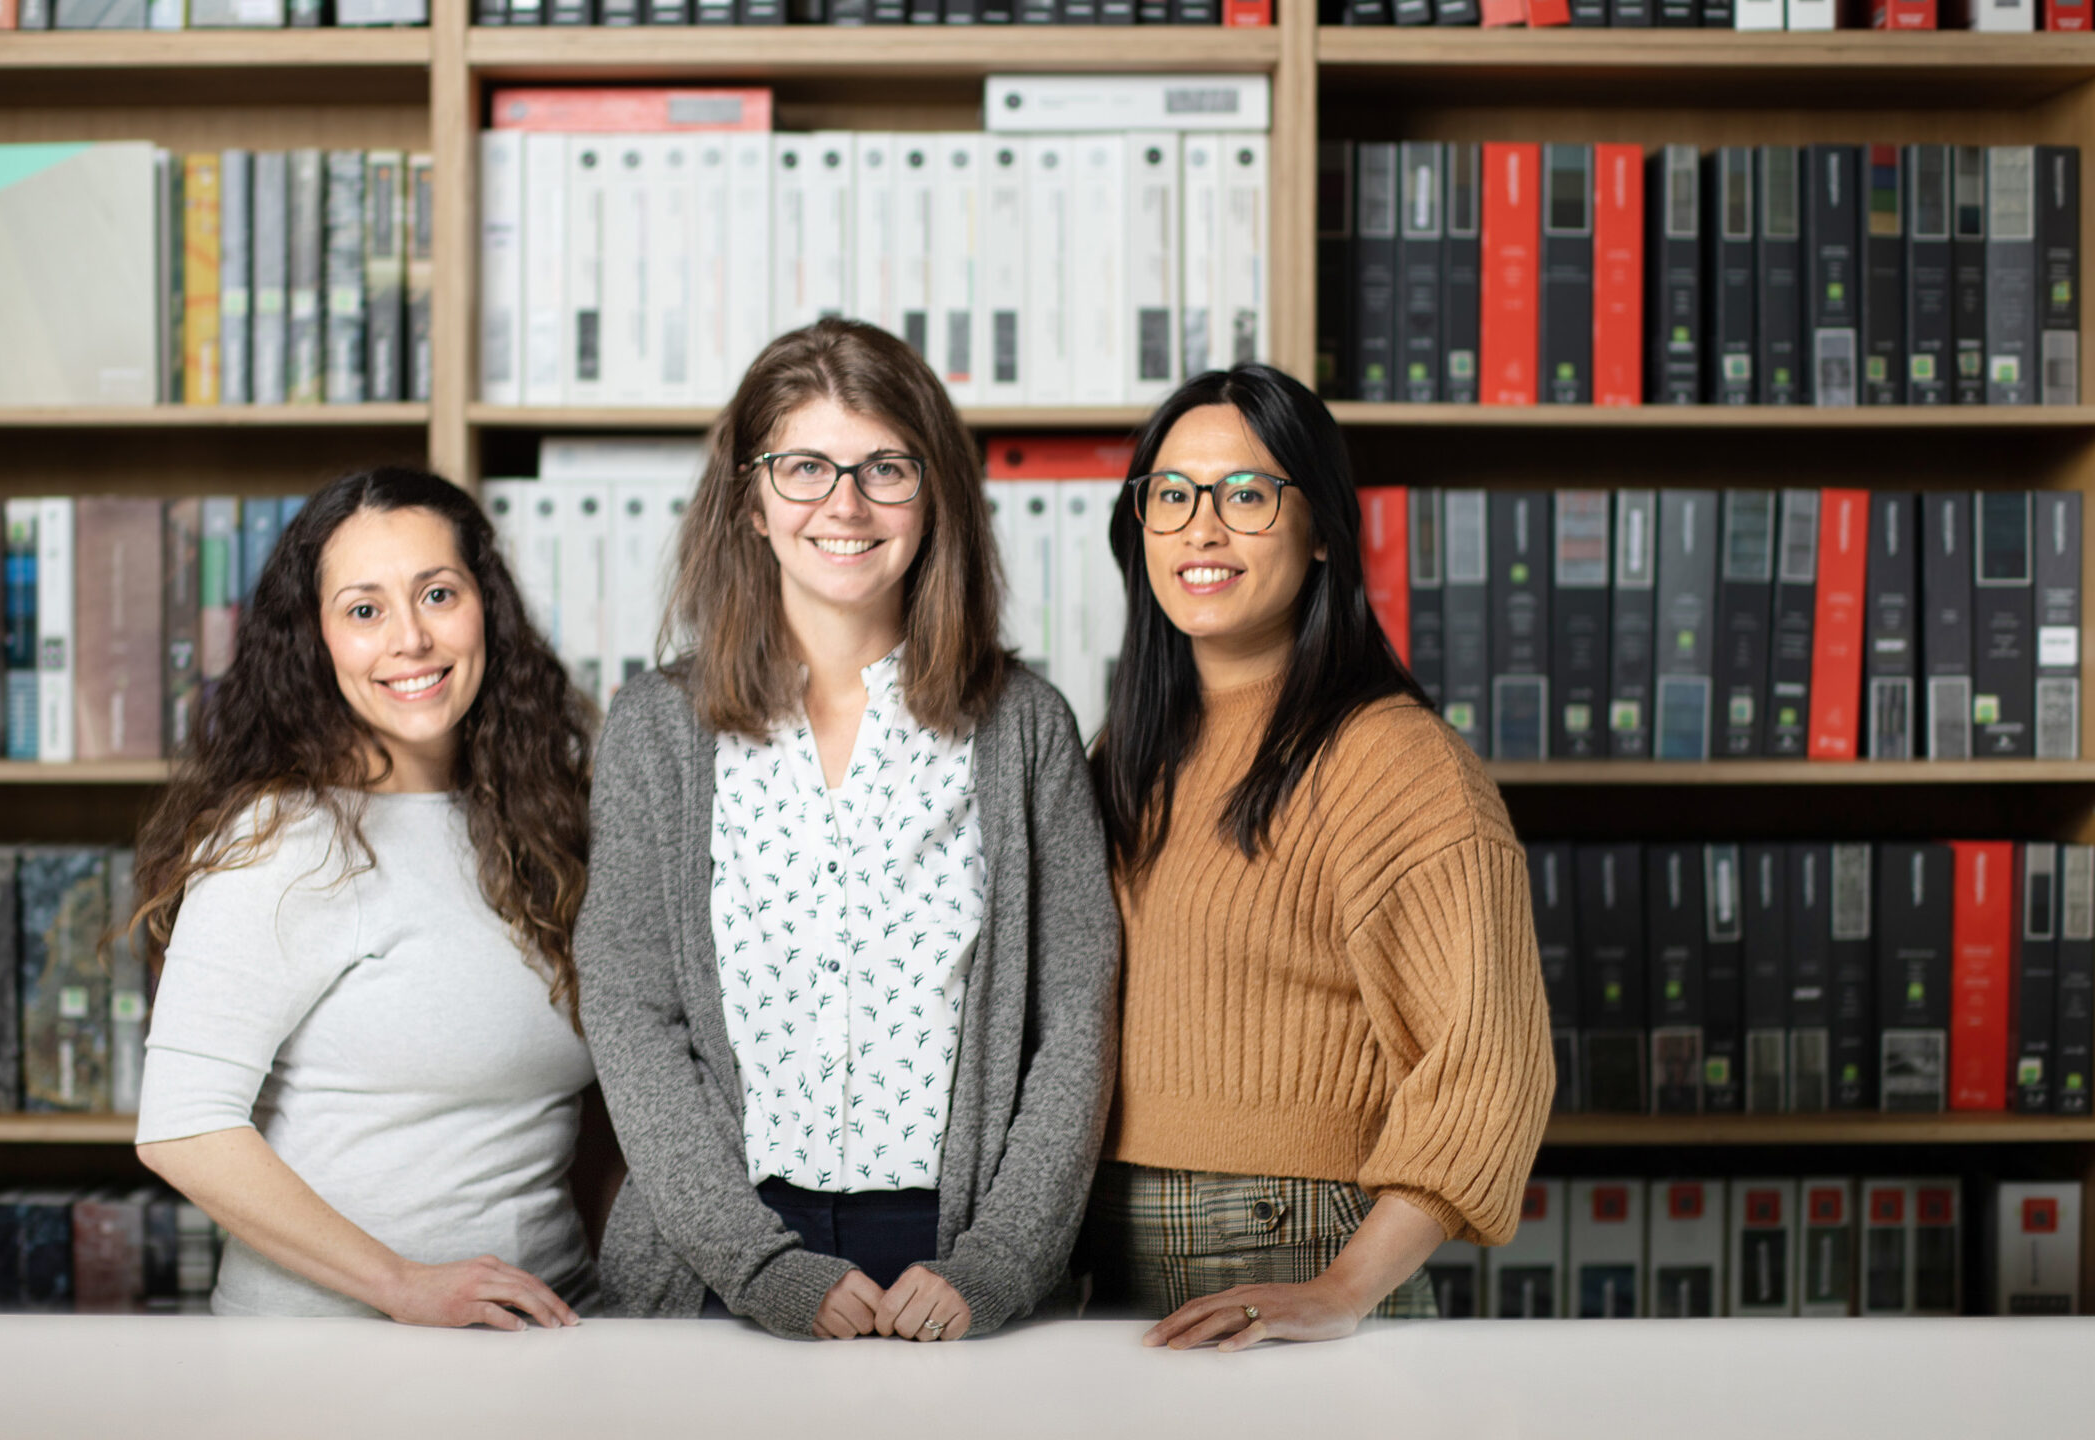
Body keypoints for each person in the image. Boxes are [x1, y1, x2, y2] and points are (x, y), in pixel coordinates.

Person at [576, 319, 1119, 1343]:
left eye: (884, 467)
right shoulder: (656, 730)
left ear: (935, 493)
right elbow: (633, 1017)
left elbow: (1075, 1025)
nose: (845, 503)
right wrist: (759, 1266)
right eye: (804, 466)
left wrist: (995, 1261)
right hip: (712, 1266)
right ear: (749, 499)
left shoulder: (1024, 727)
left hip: (952, 1260)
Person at [1083, 366, 1551, 1351]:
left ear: (1324, 530)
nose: (1199, 530)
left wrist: (1343, 1286)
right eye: (1170, 495)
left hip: (1281, 1233)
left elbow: (1489, 1062)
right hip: (1095, 1227)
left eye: (1246, 496)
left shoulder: (1391, 759)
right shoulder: (1123, 752)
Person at [131, 468, 600, 1326]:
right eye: (364, 610)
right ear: (315, 640)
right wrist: (402, 1284)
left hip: (547, 1331)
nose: (411, 639)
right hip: (334, 1353)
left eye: (438, 593)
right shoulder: (283, 840)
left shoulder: (548, 823)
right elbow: (182, 1127)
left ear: (485, 608)